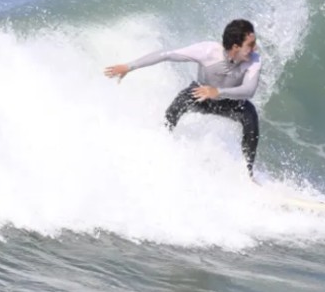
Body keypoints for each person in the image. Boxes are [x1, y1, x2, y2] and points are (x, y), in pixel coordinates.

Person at [104, 19, 262, 177]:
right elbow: (167, 55)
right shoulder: (208, 51)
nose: (255, 48)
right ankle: (161, 147)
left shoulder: (254, 59)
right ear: (235, 47)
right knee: (177, 105)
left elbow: (248, 91)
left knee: (250, 117)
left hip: (231, 101)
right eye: (250, 44)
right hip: (201, 94)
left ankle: (247, 174)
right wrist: (129, 67)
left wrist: (217, 91)